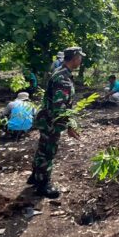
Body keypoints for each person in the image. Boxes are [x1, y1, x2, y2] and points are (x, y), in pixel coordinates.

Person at [28, 46, 84, 198]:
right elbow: (60, 107)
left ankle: (35, 176)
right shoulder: (63, 78)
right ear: (74, 58)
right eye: (80, 57)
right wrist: (70, 126)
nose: (81, 60)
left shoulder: (61, 73)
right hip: (51, 122)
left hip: (47, 120)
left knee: (42, 148)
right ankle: (43, 185)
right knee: (48, 152)